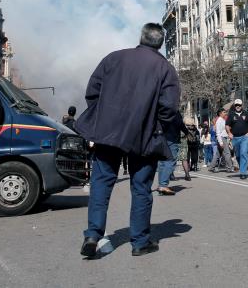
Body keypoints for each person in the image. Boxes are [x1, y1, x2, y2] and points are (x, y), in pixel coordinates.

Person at [75, 23, 183, 258]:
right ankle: (140, 242)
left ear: (141, 38)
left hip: (108, 133)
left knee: (101, 183)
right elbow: (169, 108)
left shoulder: (114, 58)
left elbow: (92, 92)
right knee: (141, 188)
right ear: (161, 43)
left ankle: (93, 235)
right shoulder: (165, 68)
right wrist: (154, 125)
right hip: (144, 137)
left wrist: (103, 117)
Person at [226, 99, 248, 180]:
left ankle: (243, 172)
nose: (238, 106)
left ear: (242, 105)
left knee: (243, 153)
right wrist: (229, 133)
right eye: (236, 105)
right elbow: (227, 125)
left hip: (244, 137)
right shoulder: (231, 115)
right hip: (235, 138)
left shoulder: (247, 113)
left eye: (239, 105)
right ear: (234, 106)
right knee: (238, 155)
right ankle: (243, 168)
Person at [182, 116, 200, 181]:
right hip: (194, 144)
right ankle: (194, 168)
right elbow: (197, 137)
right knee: (194, 156)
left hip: (187, 144)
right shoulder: (195, 129)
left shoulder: (185, 128)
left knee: (187, 157)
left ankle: (189, 168)